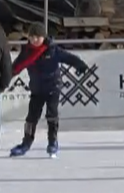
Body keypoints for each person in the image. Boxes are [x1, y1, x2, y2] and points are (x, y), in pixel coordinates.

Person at [8, 24, 88, 158]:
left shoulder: (52, 50)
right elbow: (16, 67)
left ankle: (52, 142)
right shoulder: (27, 51)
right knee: (31, 117)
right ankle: (26, 144)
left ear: (43, 37)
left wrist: (80, 65)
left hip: (53, 87)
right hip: (37, 89)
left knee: (52, 115)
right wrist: (5, 77)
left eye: (37, 37)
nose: (34, 40)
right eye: (32, 37)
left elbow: (68, 58)